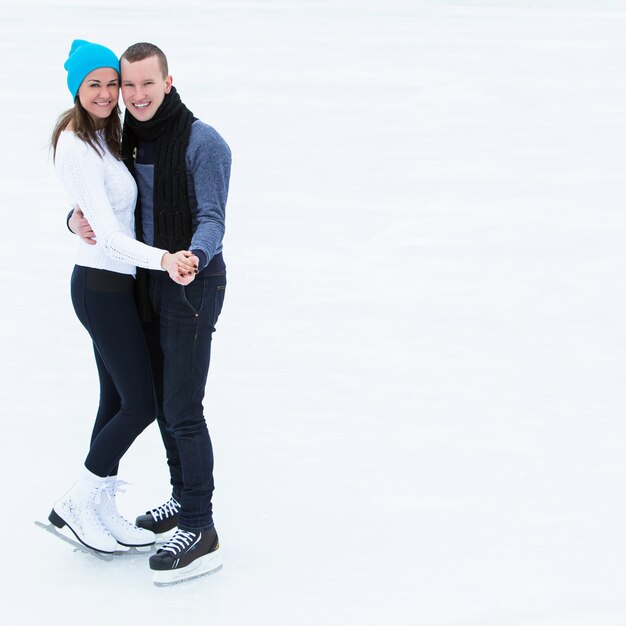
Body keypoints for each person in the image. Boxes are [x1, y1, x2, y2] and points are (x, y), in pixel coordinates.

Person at [68, 42, 231, 584]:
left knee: (183, 407)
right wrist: (74, 219)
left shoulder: (204, 142)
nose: (134, 95)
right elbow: (109, 201)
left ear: (167, 81)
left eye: (145, 83)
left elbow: (211, 218)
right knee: (161, 403)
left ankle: (199, 525)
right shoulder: (126, 138)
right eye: (126, 85)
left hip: (191, 283)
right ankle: (182, 499)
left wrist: (193, 256)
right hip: (146, 283)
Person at [50, 40, 199, 555]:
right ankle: (77, 500)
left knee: (115, 400)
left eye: (112, 83)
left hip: (117, 286)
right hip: (101, 287)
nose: (109, 93)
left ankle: (99, 506)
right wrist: (163, 258)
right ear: (76, 89)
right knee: (141, 403)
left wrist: (73, 218)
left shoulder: (107, 138)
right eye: (96, 85)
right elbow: (109, 233)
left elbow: (94, 212)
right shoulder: (75, 142)